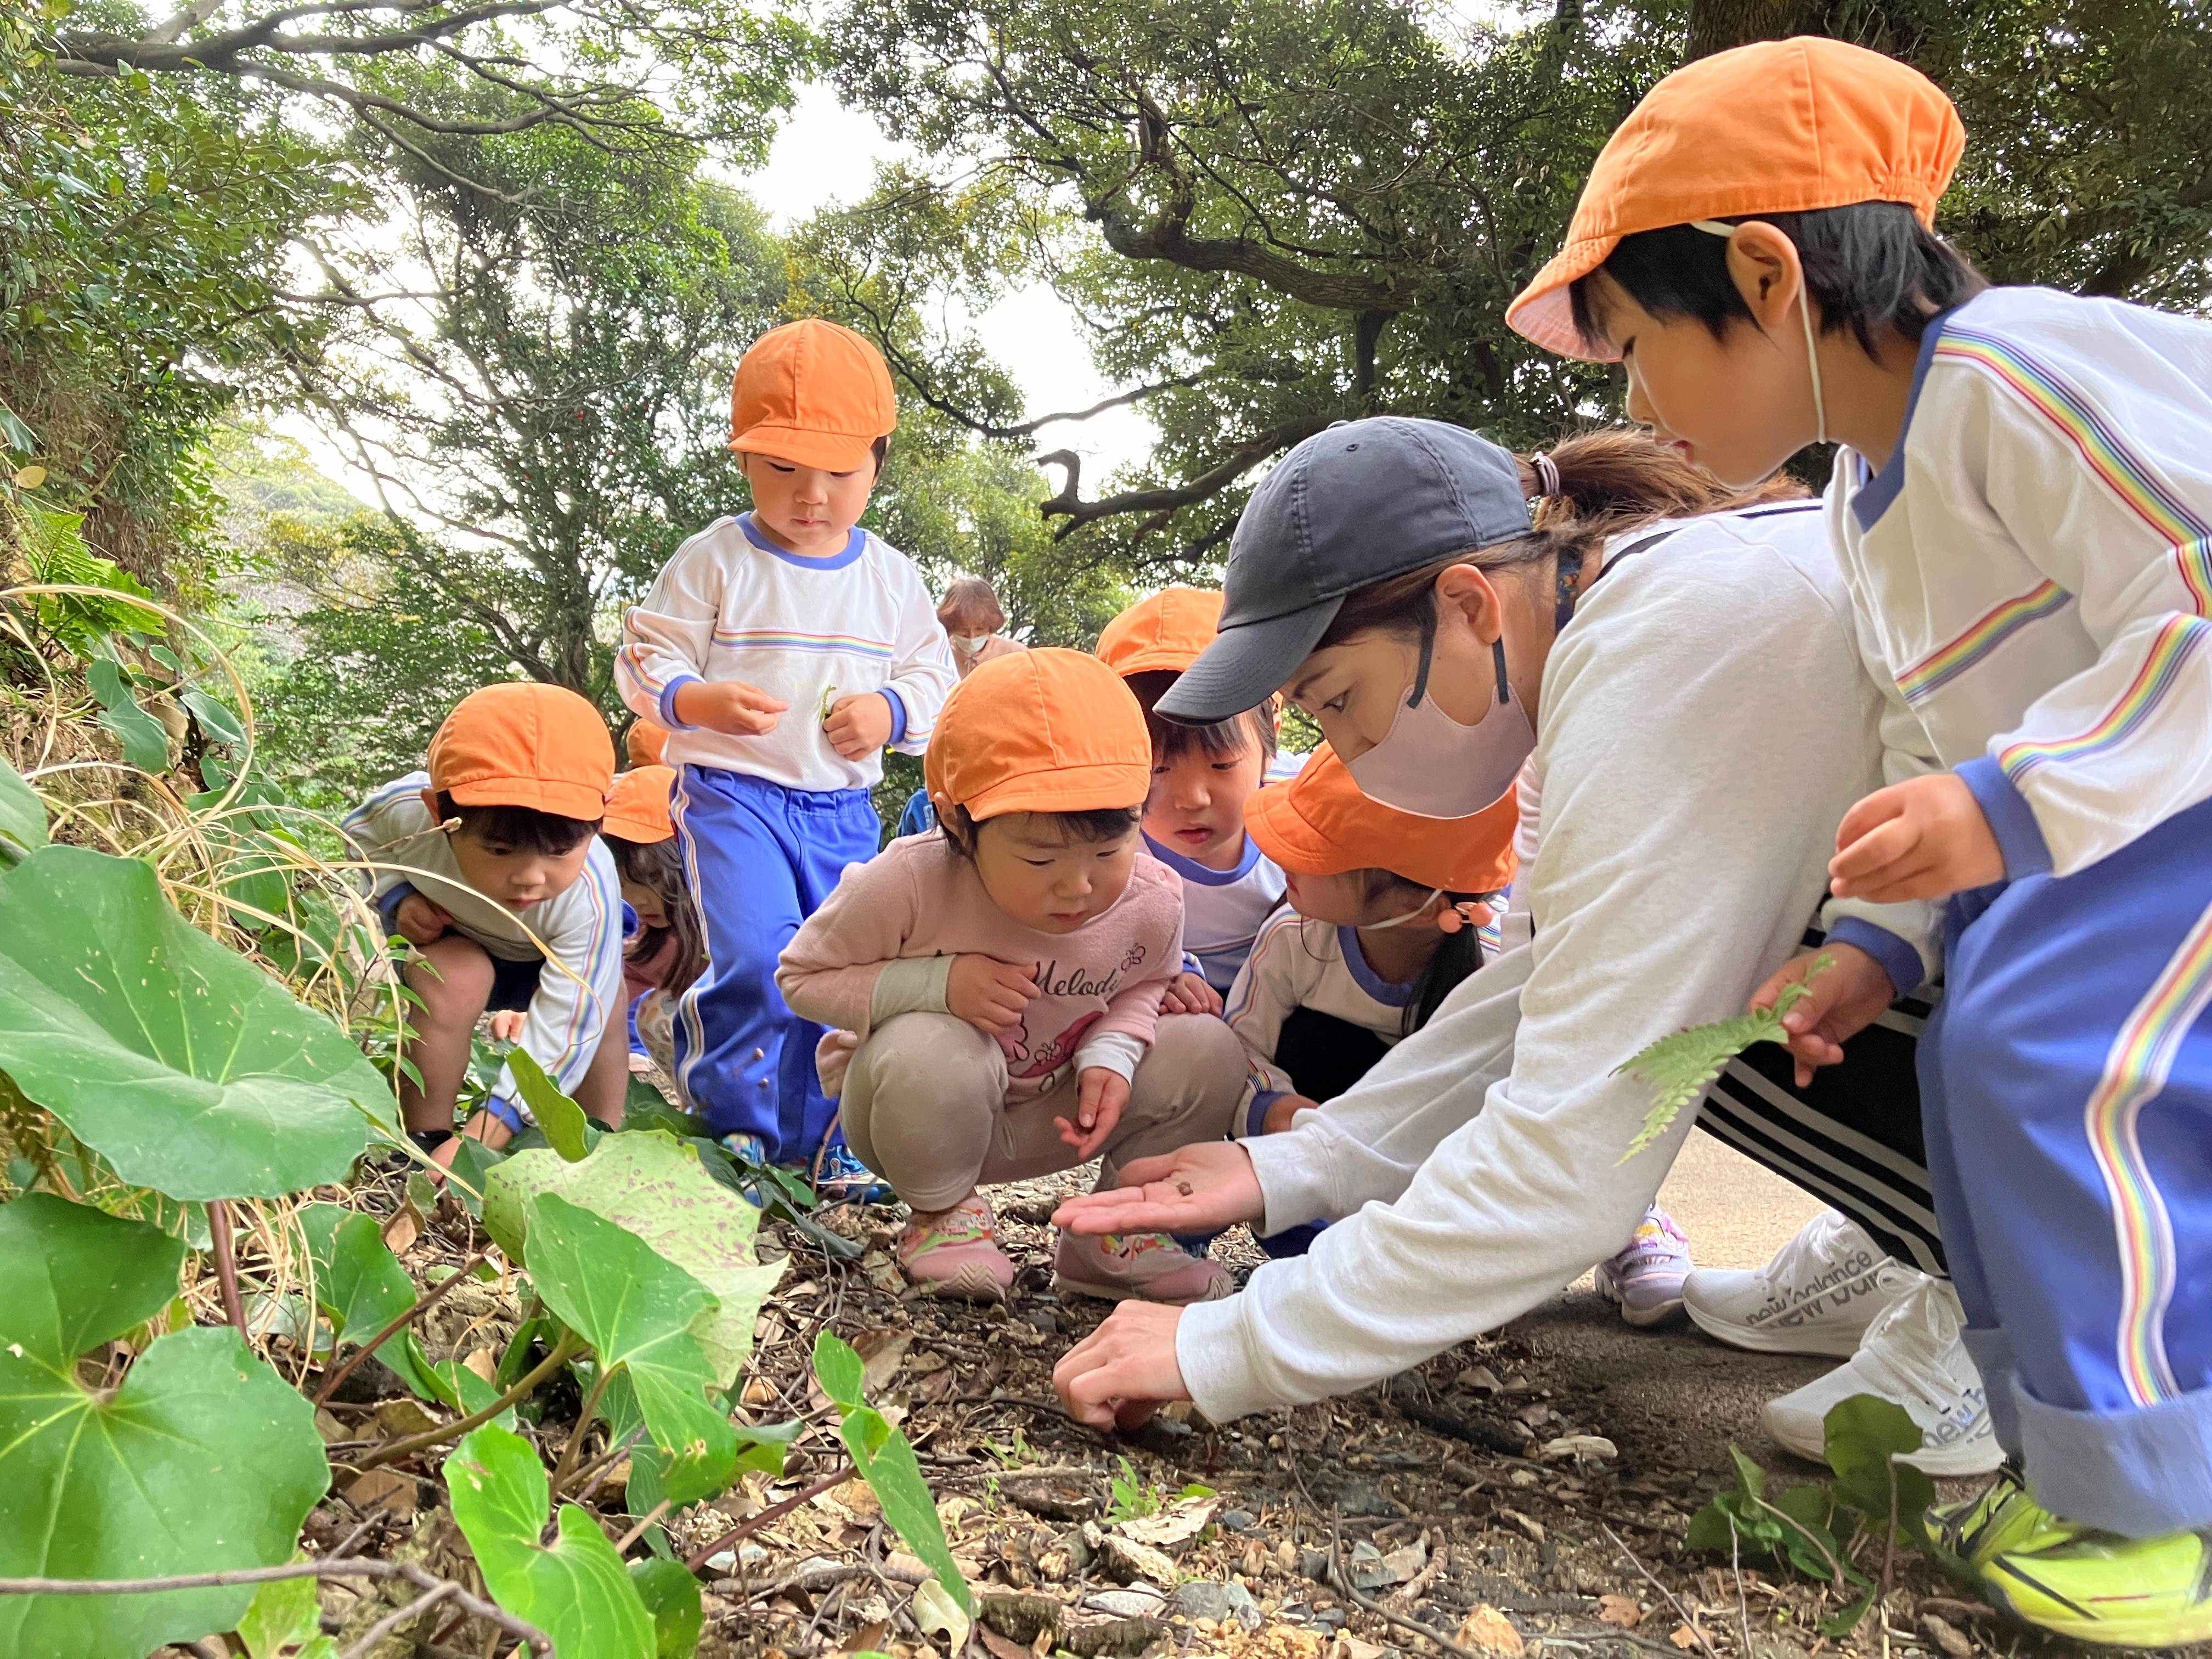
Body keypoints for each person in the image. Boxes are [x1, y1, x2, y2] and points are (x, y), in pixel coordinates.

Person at [1505, 38, 2212, 1640]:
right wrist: (1875, 941)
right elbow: (1932, 732)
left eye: (1633, 344)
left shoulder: (2021, 374)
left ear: (1763, 274)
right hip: (2096, 819)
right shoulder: (1867, 498)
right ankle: (2077, 1466)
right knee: (1977, 1082)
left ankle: (2158, 1517)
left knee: (2056, 1060)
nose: (1633, 402)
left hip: (2166, 801)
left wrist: (2006, 804)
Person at [1049, 419, 1990, 1469]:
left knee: (1724, 1003)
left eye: (1341, 702)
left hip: (2133, 1023)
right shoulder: (1614, 632)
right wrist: (1295, 1162)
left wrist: (1236, 1341)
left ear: (1465, 603)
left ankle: (2026, 1292)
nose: (1350, 754)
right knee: (1693, 986)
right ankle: (1930, 1251)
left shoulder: (1669, 649)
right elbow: (1561, 984)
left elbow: (1572, 1150)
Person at [777, 649, 1250, 1304]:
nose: (1079, 886)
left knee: (1210, 1048)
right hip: (919, 1114)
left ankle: (1115, 1234)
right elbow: (802, 978)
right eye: (1039, 857)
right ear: (955, 822)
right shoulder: (907, 882)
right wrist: (940, 986)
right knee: (928, 1046)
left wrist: (1112, 1053)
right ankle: (943, 1217)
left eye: (1109, 851)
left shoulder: (1153, 898)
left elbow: (1147, 982)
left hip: (1065, 1112)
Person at [616, 318, 956, 1190]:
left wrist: (887, 711)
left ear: (878, 464)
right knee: (762, 960)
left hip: (841, 807)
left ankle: (826, 1139)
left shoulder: (890, 578)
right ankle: (737, 1128)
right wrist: (696, 700)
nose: (812, 495)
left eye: (839, 473)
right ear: (743, 462)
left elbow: (933, 678)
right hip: (735, 795)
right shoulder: (715, 560)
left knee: (837, 973)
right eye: (783, 469)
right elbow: (646, 656)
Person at [1226, 746, 1690, 1323]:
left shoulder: (1496, 964)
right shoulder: (1296, 939)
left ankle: (1625, 1216)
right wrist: (1275, 1110)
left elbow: (1560, 1082)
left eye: (1318, 851)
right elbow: (1238, 1048)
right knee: (1317, 1043)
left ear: (1423, 906)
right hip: (1325, 1132)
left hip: (1456, 1143)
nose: (1281, 854)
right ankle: (1337, 1234)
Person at [345, 682, 627, 1159]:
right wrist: (399, 896)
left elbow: (569, 1025)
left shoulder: (591, 895)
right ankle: (426, 1141)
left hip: (544, 962)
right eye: (499, 850)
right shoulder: (407, 815)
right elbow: (359, 836)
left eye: (560, 853)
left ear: (599, 822)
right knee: (452, 979)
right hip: (453, 938)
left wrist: (492, 1126)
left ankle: (592, 1144)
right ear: (440, 815)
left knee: (605, 1006)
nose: (531, 878)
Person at [1097, 586, 1286, 1013]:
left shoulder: (1310, 809)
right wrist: (1159, 969)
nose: (1192, 800)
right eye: (1157, 771)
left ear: (1270, 735)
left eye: (1222, 765)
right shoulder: (1105, 851)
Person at [597, 764, 706, 1079]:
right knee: (655, 1013)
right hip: (707, 1061)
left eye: (653, 879)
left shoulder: (725, 922)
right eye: (624, 883)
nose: (639, 899)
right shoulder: (651, 939)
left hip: (760, 1049)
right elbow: (606, 995)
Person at [938, 575, 1025, 678]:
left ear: (991, 625)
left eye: (980, 629)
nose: (972, 636)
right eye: (963, 629)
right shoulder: (939, 654)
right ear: (950, 625)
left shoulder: (1015, 653)